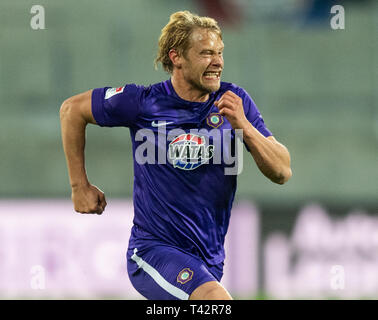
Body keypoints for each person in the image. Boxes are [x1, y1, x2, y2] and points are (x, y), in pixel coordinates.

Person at [60, 10, 292, 300]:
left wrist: (245, 126)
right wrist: (78, 186)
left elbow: (282, 171)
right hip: (152, 251)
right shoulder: (143, 103)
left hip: (208, 258)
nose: (218, 62)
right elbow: (72, 110)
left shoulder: (234, 102)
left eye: (220, 53)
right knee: (215, 301)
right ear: (177, 57)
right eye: (206, 53)